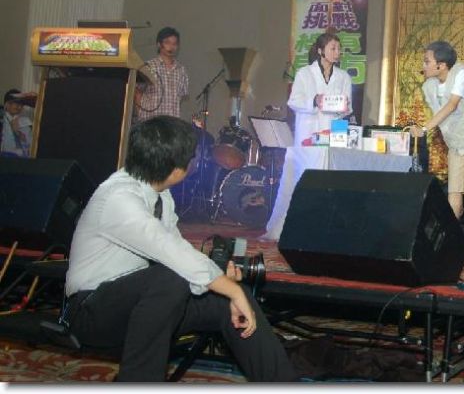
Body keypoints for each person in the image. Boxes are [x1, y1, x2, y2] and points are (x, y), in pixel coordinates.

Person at [64, 116, 297, 382]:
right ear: (177, 169)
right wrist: (226, 286)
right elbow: (171, 254)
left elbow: (178, 249)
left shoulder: (159, 193)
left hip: (140, 301)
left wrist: (225, 282)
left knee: (227, 299)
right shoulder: (118, 198)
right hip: (91, 310)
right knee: (172, 277)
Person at [410, 41, 464, 254]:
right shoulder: (429, 86)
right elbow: (442, 114)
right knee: (455, 189)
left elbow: (451, 105)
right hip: (457, 143)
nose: (424, 65)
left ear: (441, 65)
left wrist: (424, 129)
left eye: (427, 61)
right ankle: (450, 236)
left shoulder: (461, 74)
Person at [287, 32, 353, 145]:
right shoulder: (304, 73)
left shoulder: (344, 77)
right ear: (320, 51)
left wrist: (343, 107)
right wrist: (314, 101)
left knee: (331, 155)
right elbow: (293, 101)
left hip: (333, 135)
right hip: (308, 133)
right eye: (333, 48)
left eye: (339, 49)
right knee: (310, 155)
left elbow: (348, 108)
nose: (337, 52)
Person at [134, 26, 189, 123]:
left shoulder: (181, 70)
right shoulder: (148, 67)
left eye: (174, 44)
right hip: (151, 121)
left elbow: (180, 97)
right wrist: (141, 115)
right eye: (167, 42)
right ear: (159, 44)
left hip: (172, 123)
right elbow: (136, 92)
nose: (171, 47)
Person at [1, 88, 35, 157]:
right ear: (7, 104)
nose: (19, 106)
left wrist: (18, 134)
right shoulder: (1, 121)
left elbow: (31, 146)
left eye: (21, 104)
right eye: (16, 103)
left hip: (21, 159)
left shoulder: (25, 122)